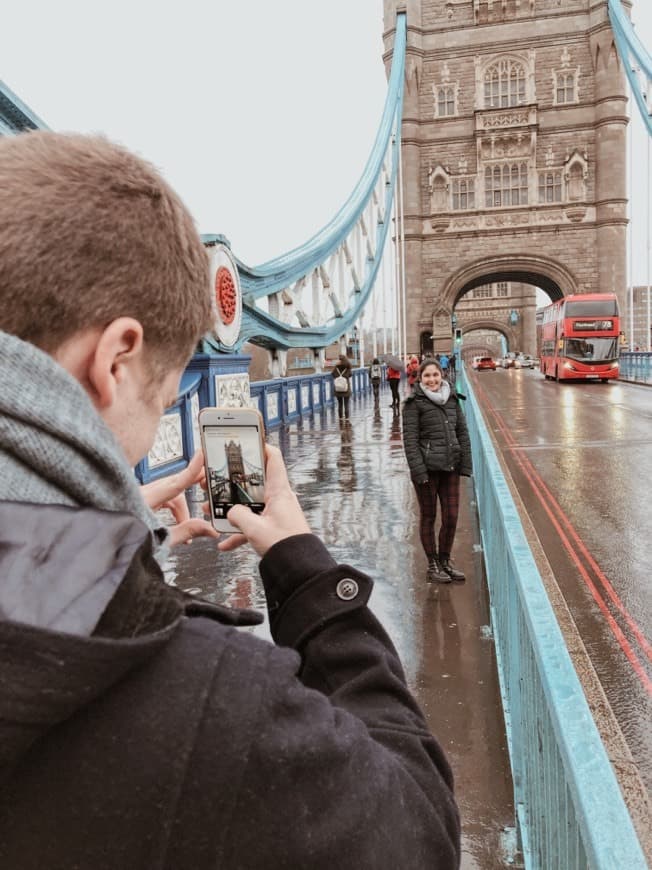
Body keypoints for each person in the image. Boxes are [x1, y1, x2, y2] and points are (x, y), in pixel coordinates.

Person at [0, 132, 460, 868]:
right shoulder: (209, 710)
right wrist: (308, 574)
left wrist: (110, 543)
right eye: (164, 395)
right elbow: (418, 835)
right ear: (114, 360)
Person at [402, 358, 472, 584]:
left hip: (450, 465)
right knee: (429, 517)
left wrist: (466, 464)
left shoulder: (452, 399)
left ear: (441, 375)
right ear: (420, 379)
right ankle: (432, 564)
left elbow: (462, 432)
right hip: (427, 470)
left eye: (435, 375)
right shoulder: (414, 403)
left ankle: (445, 560)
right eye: (427, 376)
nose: (432, 380)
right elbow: (410, 441)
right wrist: (418, 471)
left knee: (451, 517)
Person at [332, 353, 352, 420]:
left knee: (340, 404)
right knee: (346, 404)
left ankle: (340, 417)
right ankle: (347, 417)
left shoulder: (336, 368)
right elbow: (350, 375)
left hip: (338, 389)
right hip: (346, 388)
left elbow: (333, 374)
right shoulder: (347, 368)